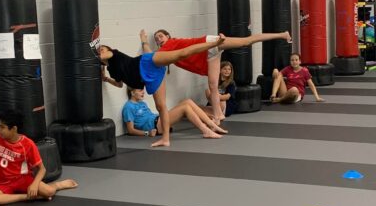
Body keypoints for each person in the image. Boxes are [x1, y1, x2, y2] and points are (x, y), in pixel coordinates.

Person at [140, 29, 291, 124]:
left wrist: (144, 41)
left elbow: (149, 56)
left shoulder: (170, 44)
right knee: (213, 86)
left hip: (209, 43)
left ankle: (281, 34)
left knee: (246, 41)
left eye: (160, 36)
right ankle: (218, 115)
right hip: (209, 54)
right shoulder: (167, 51)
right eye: (156, 39)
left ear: (168, 36)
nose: (159, 39)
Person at [100, 33, 225, 147]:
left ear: (108, 50)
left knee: (181, 54)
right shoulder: (112, 69)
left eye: (102, 49)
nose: (101, 51)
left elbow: (99, 56)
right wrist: (105, 78)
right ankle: (166, 139)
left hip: (146, 63)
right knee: (161, 106)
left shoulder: (112, 54)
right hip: (147, 78)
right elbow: (119, 84)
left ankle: (214, 44)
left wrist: (93, 50)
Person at [0, 110, 78, 206]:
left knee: (49, 192)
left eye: (2, 127)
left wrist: (34, 184)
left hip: (23, 180)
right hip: (3, 183)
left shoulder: (28, 144)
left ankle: (57, 185)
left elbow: (42, 169)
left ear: (14, 129)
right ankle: (25, 197)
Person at [122, 88, 227, 139]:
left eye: (142, 90)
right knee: (185, 107)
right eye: (140, 90)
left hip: (159, 119)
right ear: (132, 92)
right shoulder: (128, 107)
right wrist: (147, 133)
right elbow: (130, 130)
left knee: (188, 101)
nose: (143, 92)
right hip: (156, 125)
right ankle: (206, 131)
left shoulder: (142, 103)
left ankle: (212, 125)